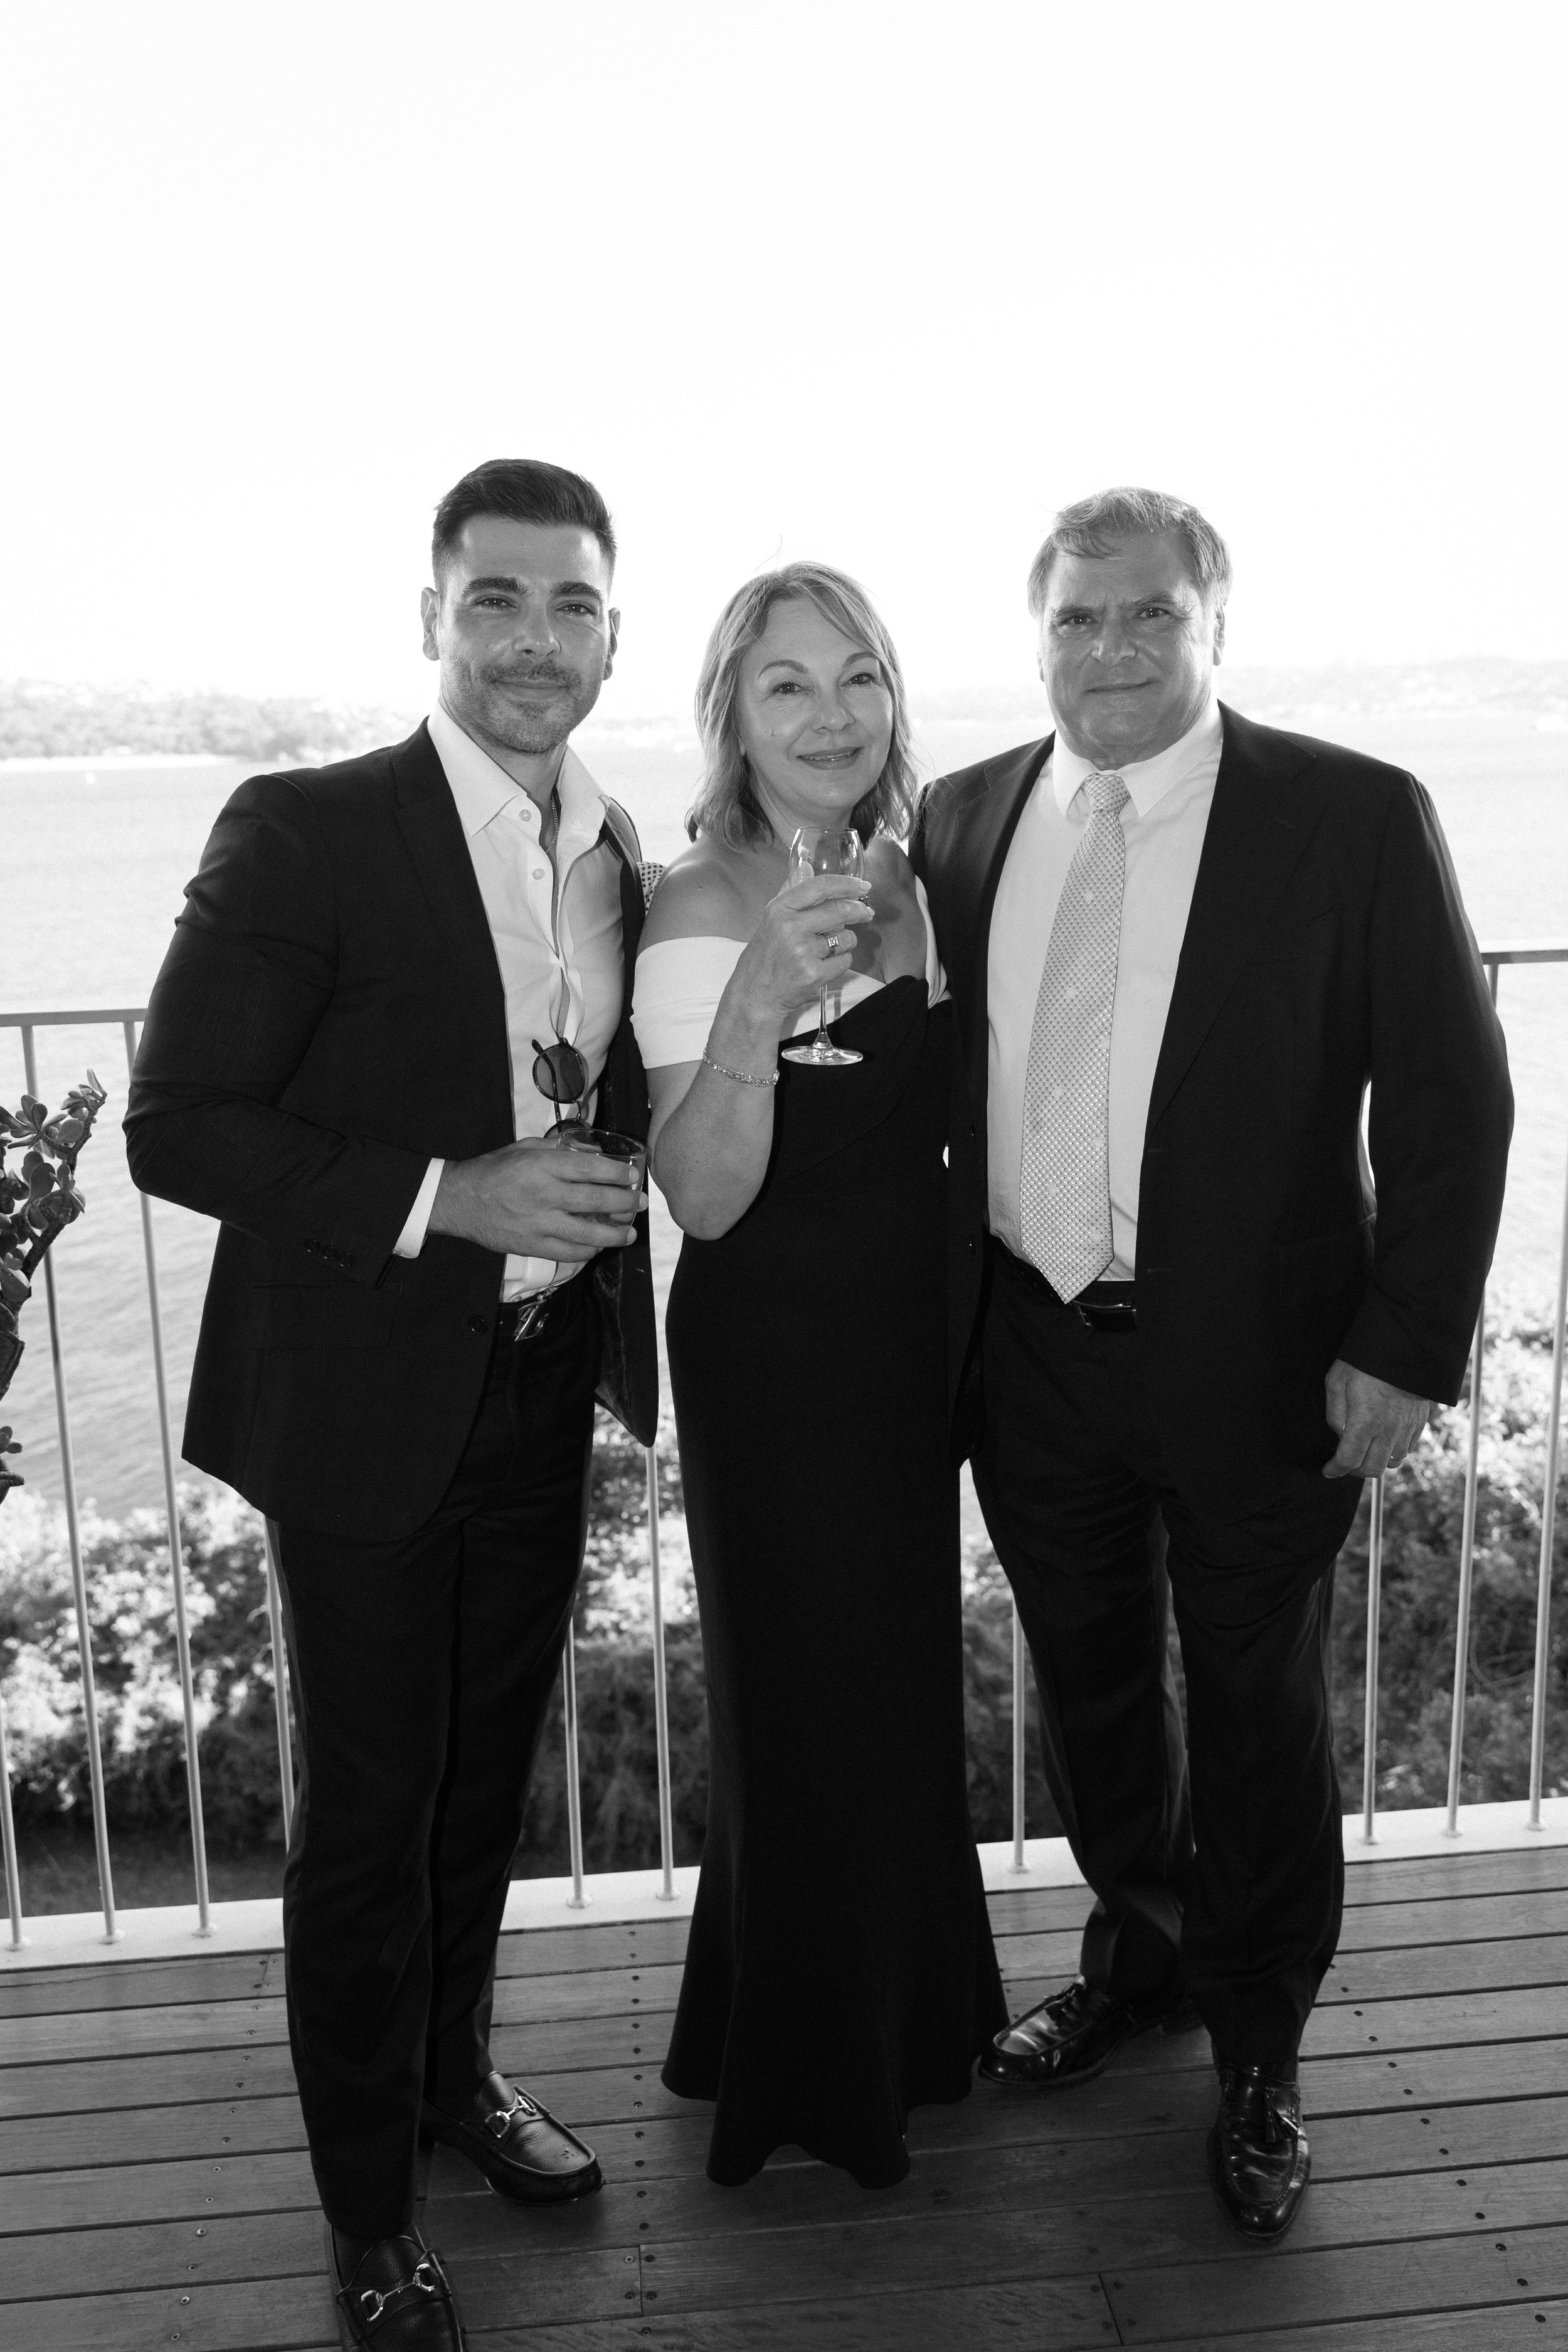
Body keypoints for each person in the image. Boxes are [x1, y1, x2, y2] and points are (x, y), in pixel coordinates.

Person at [911, 487, 1512, 2242]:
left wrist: (1403, 1347)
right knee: (1092, 1688)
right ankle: (1143, 1958)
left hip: (1267, 1368)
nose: (1109, 647)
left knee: (1254, 1713)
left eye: (1148, 614)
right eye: (1076, 617)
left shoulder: (1348, 815)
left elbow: (1451, 1098)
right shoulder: (961, 818)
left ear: (1213, 625)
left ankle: (1258, 2046)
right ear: (1037, 635)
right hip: (1031, 1352)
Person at [125, 458, 657, 2352]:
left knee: (478, 1784)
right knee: (367, 1821)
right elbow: (179, 1124)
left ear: (613, 634)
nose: (533, 638)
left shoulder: (615, 850)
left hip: (541, 1386)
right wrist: (453, 1196)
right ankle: (369, 2214)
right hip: (362, 1399)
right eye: (495, 598)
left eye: (571, 603)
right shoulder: (306, 828)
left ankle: (452, 2083)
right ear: (431, 618)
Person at [632, 562, 1006, 2190]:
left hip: (906, 1353)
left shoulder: (921, 881)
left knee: (895, 1695)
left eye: (858, 676)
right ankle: (812, 2071)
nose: (830, 713)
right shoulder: (696, 903)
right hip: (774, 1359)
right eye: (787, 683)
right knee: (800, 1705)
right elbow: (703, 1196)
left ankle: (908, 2024)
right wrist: (765, 1003)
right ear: (733, 714)